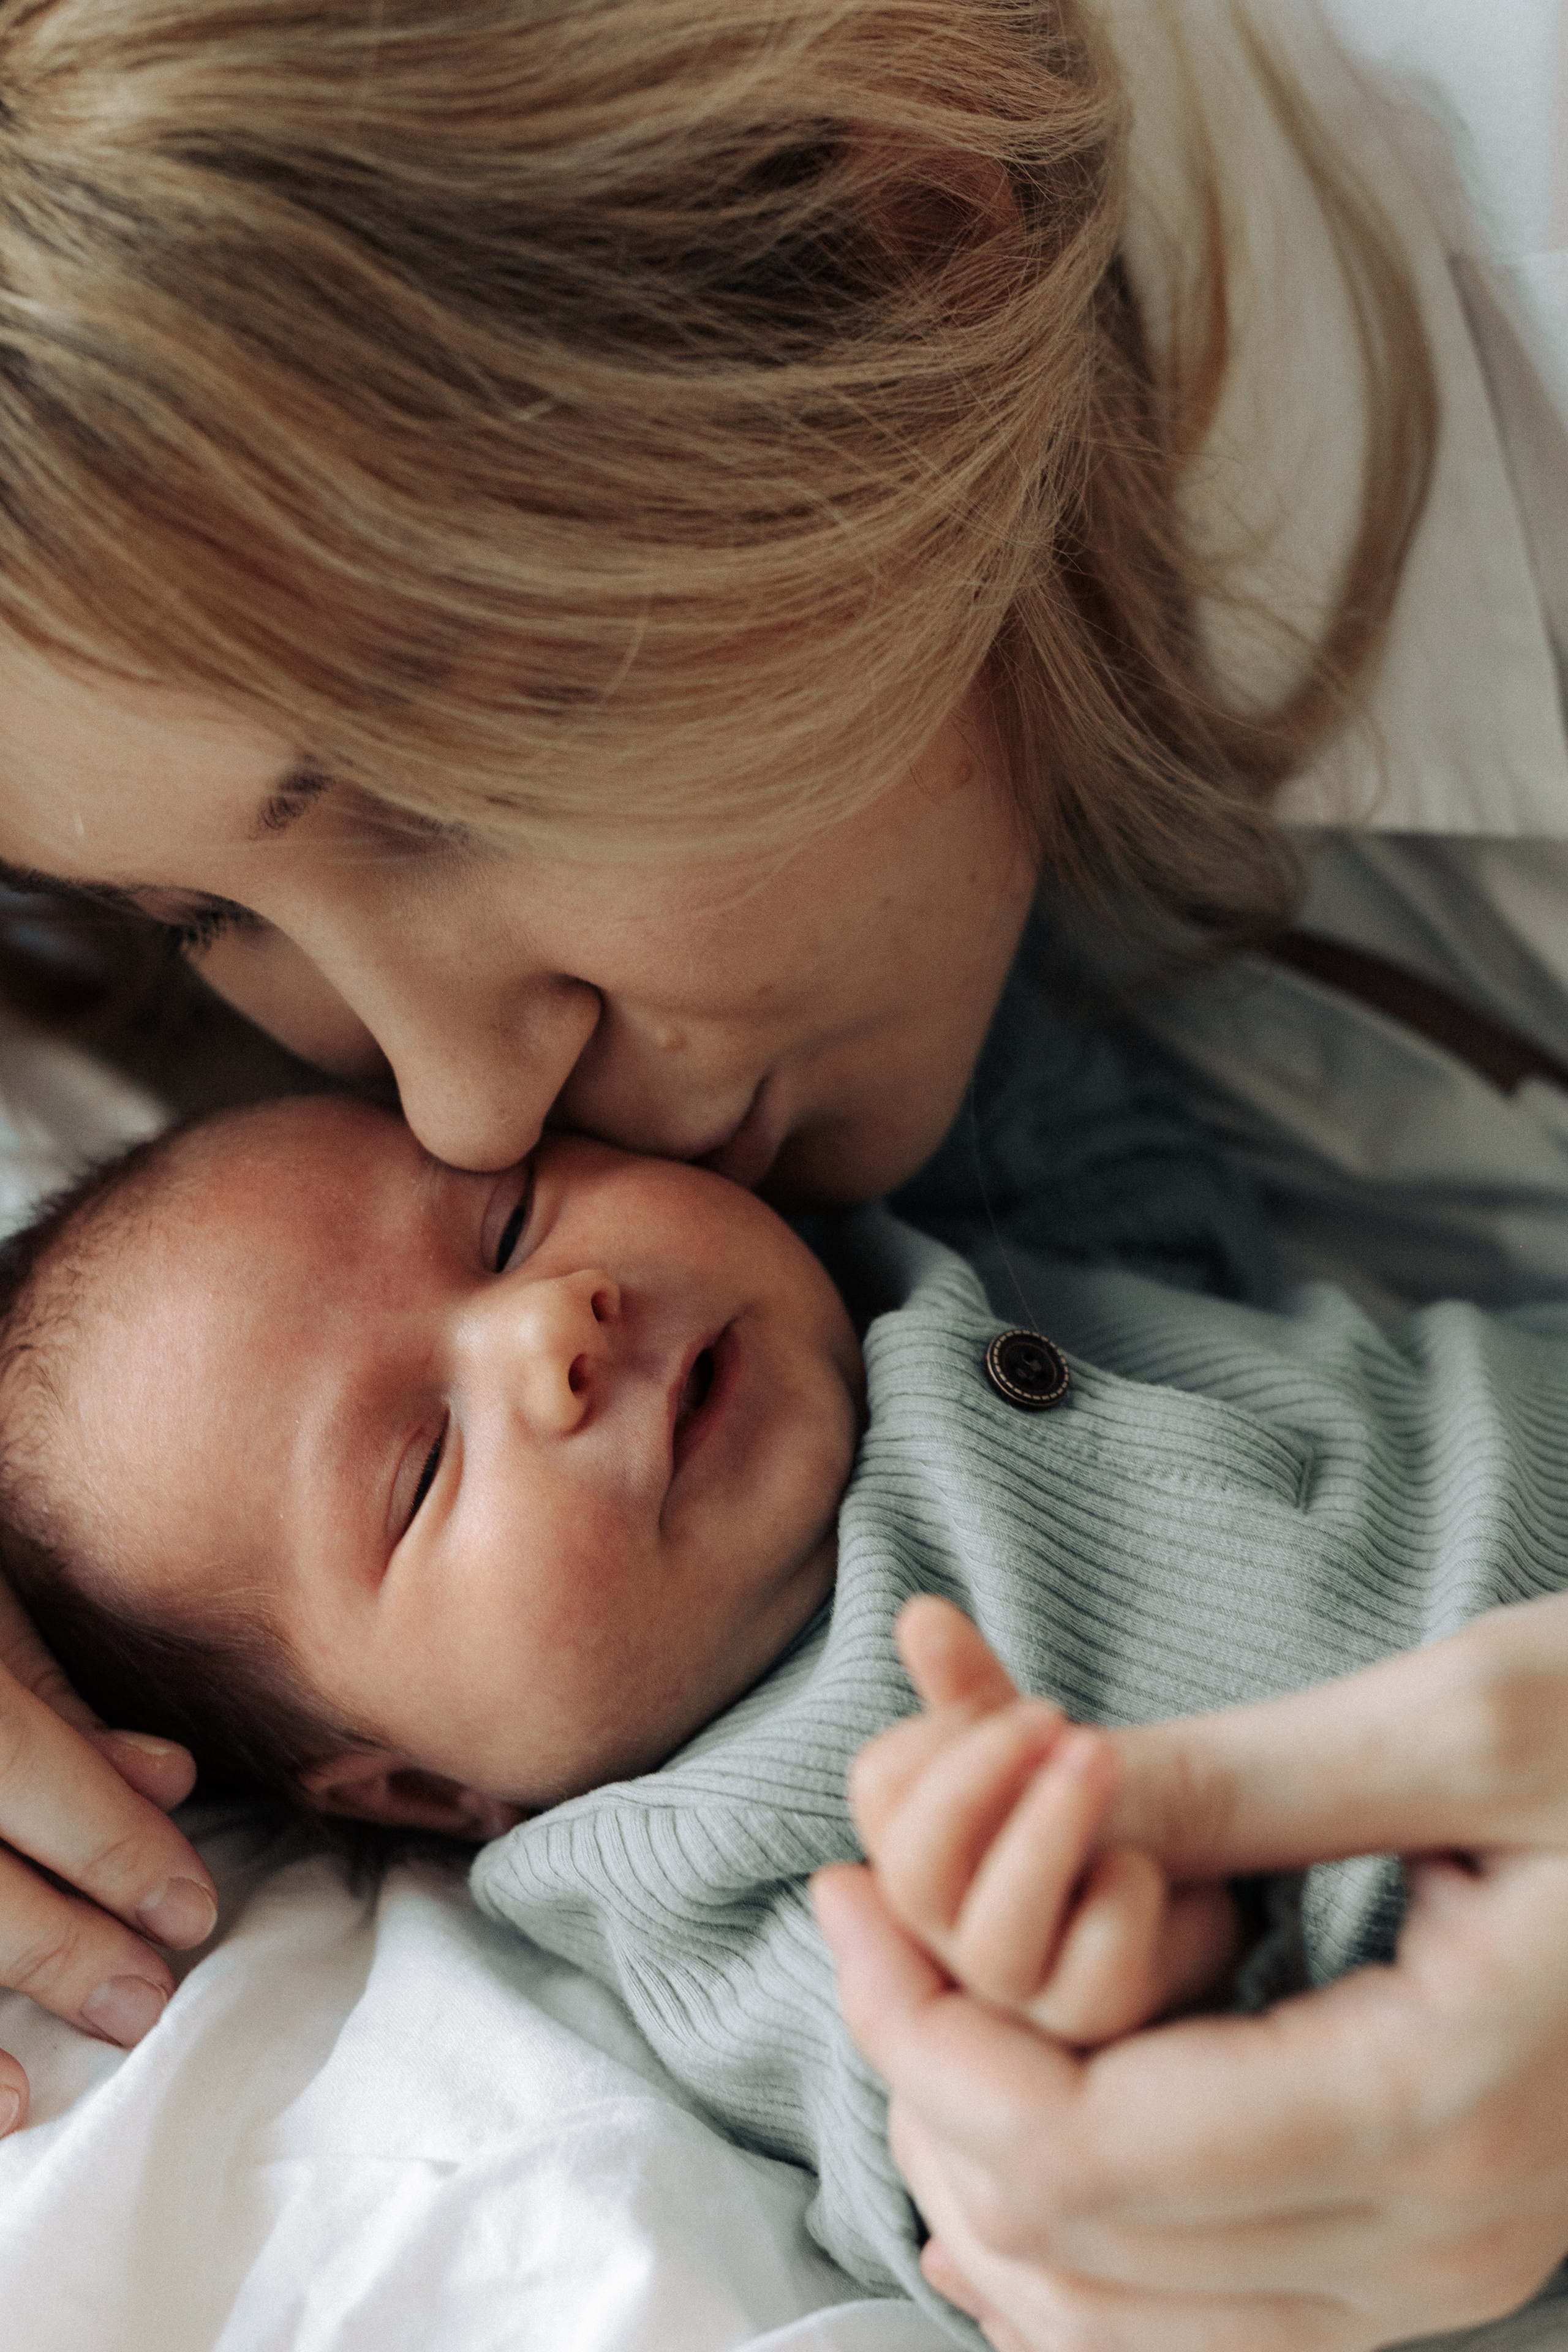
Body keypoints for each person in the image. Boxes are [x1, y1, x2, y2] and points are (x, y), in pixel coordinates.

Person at [0, 2, 1566, 2345]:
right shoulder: (716, 1874)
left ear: (911, 224)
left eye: (432, 793)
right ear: (408, 1786)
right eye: (204, 920)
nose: (456, 1108)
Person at [6, 1083, 1568, 2348]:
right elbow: (974, 2166)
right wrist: (1094, 1990)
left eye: (508, 1219)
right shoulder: (716, 1874)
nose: (555, 1321)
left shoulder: (927, 1255)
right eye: (419, 1471)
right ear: (419, 1790)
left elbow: (995, 1024)